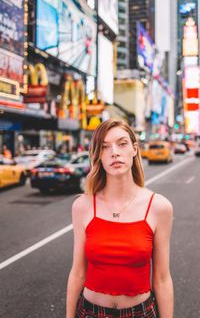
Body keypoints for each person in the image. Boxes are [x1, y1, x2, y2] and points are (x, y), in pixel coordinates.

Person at [66, 119, 174, 318]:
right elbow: (78, 272)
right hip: (90, 312)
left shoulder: (159, 207)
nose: (114, 152)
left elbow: (162, 279)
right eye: (105, 147)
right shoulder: (82, 205)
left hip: (141, 313)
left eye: (122, 144)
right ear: (98, 155)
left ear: (134, 149)